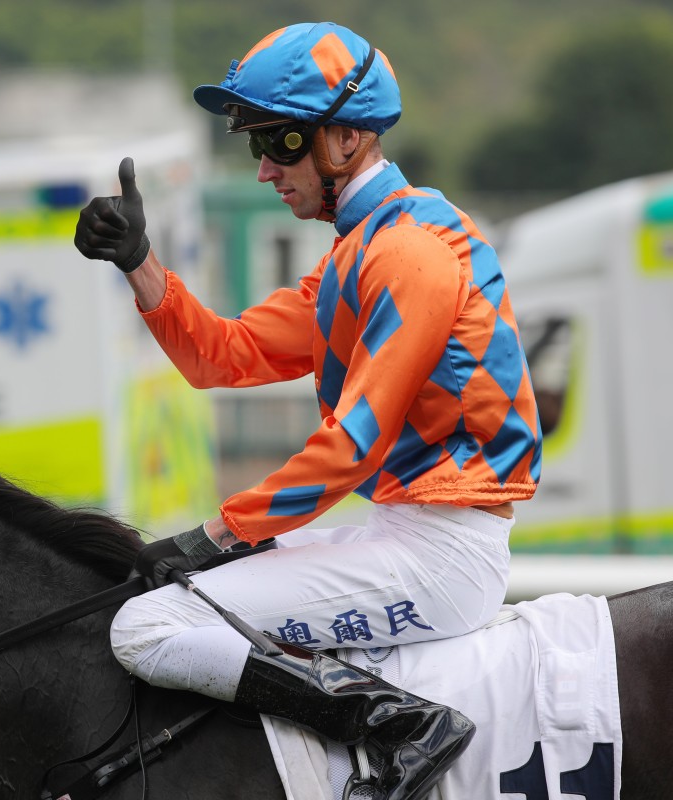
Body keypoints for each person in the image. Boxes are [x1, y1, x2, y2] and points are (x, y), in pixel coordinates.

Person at [74, 21, 540, 800]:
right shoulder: (360, 252)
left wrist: (218, 532)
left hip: (443, 552)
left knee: (147, 628)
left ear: (348, 139)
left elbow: (353, 441)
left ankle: (400, 725)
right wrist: (140, 264)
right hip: (409, 533)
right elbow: (221, 355)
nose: (263, 171)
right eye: (256, 145)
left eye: (279, 143)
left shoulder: (407, 255)